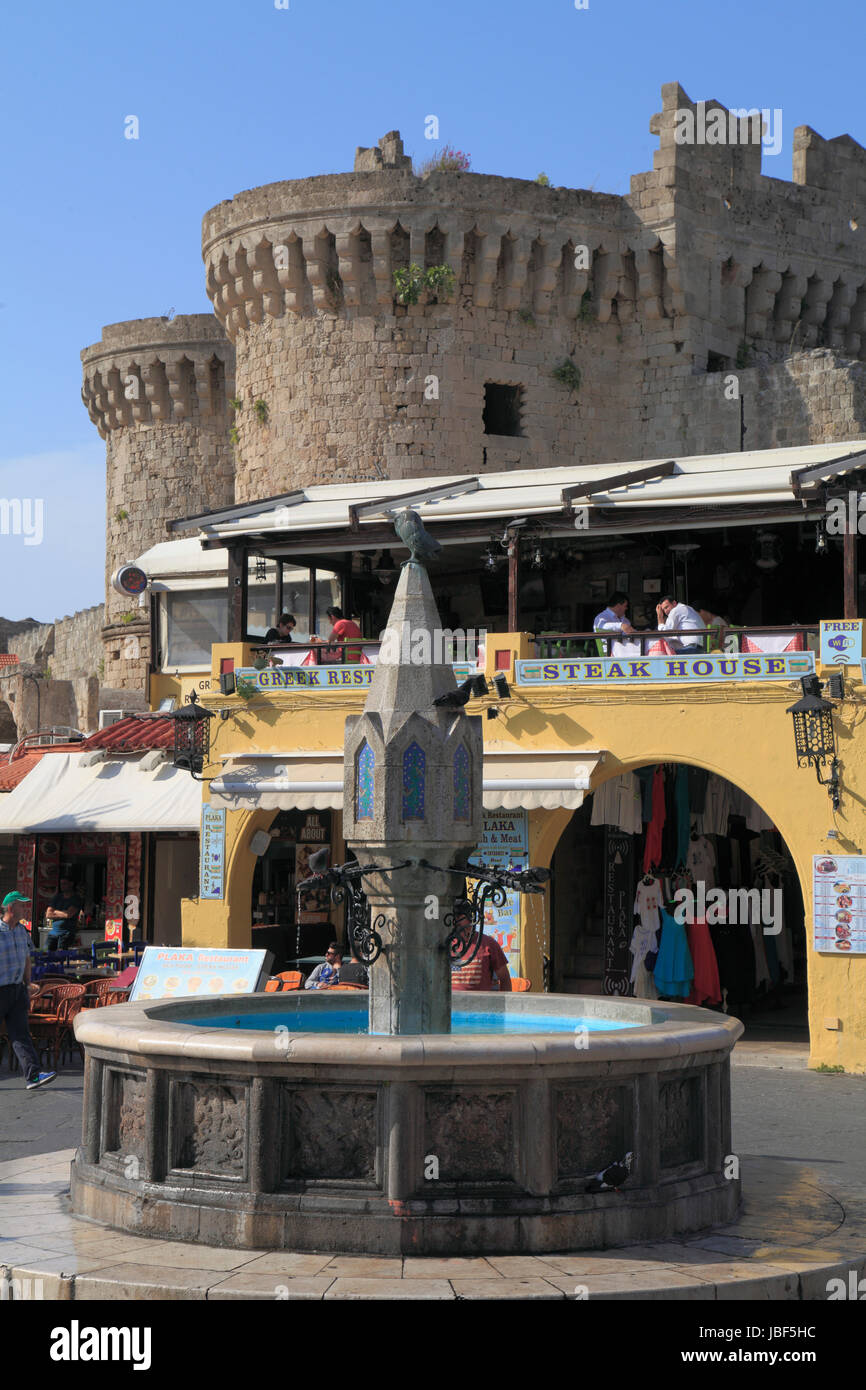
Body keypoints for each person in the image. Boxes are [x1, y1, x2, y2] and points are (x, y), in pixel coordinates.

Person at [0, 892, 56, 1090]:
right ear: (10, 908)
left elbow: (26, 959)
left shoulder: (22, 931)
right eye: (21, 906)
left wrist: (28, 983)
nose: (25, 910)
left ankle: (33, 1076)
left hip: (17, 991)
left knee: (21, 1034)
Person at [449, 902, 512, 992]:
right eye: (456, 925)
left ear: (472, 920)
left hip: (480, 1004)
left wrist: (503, 1004)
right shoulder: (446, 944)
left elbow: (504, 978)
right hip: (449, 1004)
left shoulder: (488, 944)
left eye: (462, 924)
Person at [593, 591, 640, 657]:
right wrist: (620, 625)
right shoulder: (601, 618)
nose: (626, 608)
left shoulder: (625, 620)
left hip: (627, 652)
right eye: (625, 606)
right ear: (618, 606)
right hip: (610, 655)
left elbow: (632, 633)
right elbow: (600, 627)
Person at [44, 877, 83, 950]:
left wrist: (55, 911)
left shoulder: (75, 898)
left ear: (71, 884)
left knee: (61, 957)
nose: (62, 886)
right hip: (53, 932)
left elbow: (68, 915)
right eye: (61, 884)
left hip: (66, 934)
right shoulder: (57, 897)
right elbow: (48, 914)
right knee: (45, 954)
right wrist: (63, 913)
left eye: (65, 884)